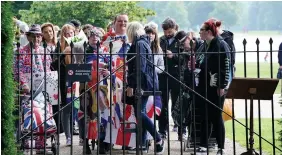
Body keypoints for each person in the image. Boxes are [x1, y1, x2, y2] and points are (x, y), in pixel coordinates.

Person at [13, 24, 54, 154]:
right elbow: (16, 71)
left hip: (42, 88)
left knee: (43, 116)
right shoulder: (20, 52)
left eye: (39, 36)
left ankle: (41, 145)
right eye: (34, 36)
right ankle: (24, 144)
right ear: (28, 37)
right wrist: (22, 84)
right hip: (26, 90)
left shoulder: (45, 51)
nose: (37, 39)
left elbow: (48, 71)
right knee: (27, 116)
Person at [126, 21, 165, 154]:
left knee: (139, 112)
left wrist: (132, 85)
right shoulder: (142, 42)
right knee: (139, 112)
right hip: (143, 82)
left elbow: (140, 67)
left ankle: (158, 138)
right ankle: (143, 143)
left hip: (143, 83)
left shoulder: (140, 44)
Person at [193, 19, 230, 155]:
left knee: (216, 116)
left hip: (215, 87)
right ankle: (203, 145)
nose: (199, 32)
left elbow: (226, 66)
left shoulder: (221, 45)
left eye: (201, 30)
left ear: (208, 32)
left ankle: (221, 147)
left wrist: (222, 85)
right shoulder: (204, 45)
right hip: (203, 85)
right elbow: (200, 60)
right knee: (204, 115)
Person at [158, 17, 186, 140]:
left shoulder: (181, 39)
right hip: (163, 75)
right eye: (165, 31)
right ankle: (162, 131)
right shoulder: (160, 40)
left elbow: (184, 59)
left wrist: (173, 56)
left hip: (176, 75)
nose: (167, 34)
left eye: (170, 31)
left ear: (175, 28)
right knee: (163, 104)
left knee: (178, 104)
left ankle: (181, 131)